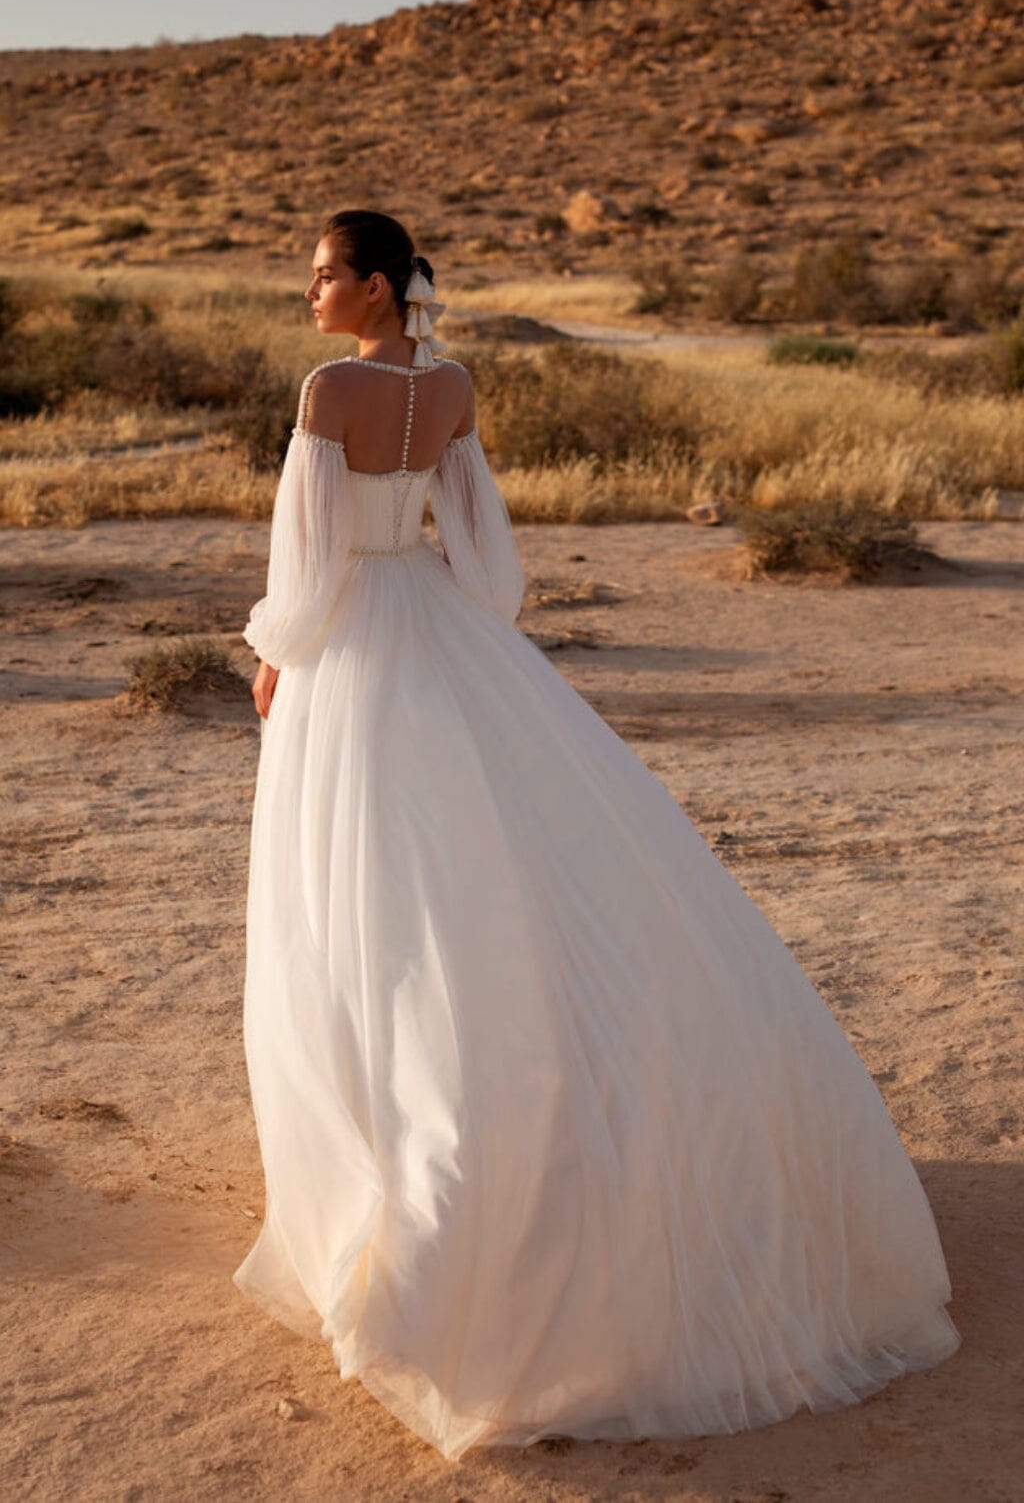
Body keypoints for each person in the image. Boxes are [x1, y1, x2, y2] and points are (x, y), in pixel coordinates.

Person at [233, 208, 961, 1464]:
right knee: (481, 871)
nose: (309, 296)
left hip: (354, 645)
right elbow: (485, 558)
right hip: (442, 636)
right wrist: (469, 643)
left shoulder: (328, 389)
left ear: (372, 284)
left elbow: (302, 565)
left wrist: (277, 652)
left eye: (321, 277)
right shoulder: (448, 384)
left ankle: (408, 1177)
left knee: (364, 896)